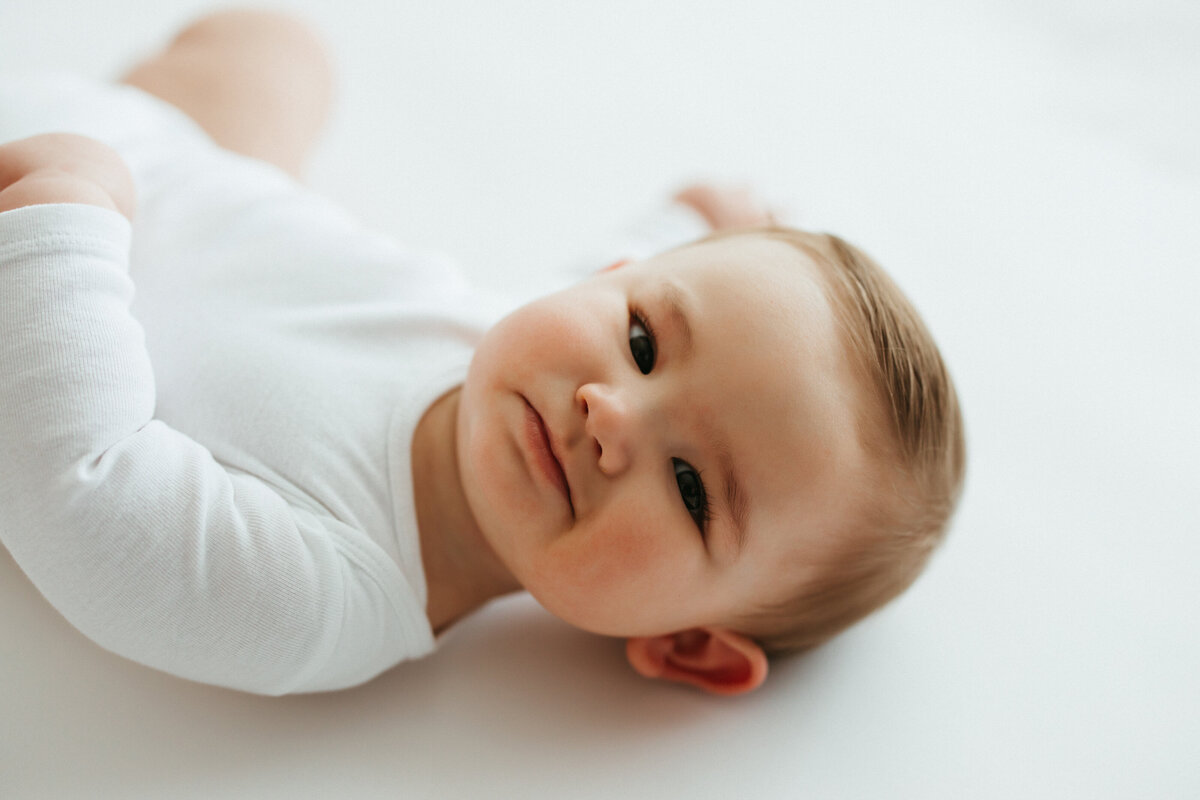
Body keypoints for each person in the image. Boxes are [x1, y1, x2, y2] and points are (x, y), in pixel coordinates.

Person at [0, 10, 965, 697]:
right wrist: (700, 218)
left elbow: (76, 488)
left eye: (692, 488)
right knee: (278, 50)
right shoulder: (525, 341)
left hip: (40, 257)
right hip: (163, 172)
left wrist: (64, 224)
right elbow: (584, 275)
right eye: (642, 338)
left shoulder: (320, 598)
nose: (611, 413)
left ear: (690, 643)